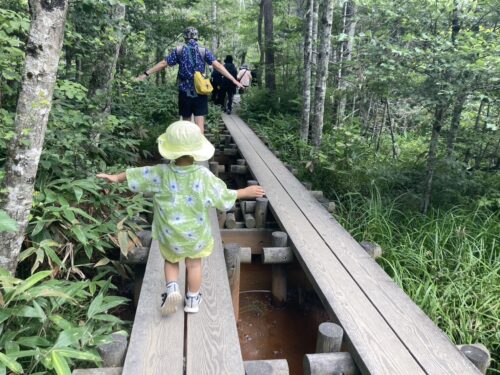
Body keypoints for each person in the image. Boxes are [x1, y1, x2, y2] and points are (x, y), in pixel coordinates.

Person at [96, 121, 265, 315]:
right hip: (195, 234)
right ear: (196, 151)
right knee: (194, 265)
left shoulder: (161, 172)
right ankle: (192, 300)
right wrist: (245, 191)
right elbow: (222, 196)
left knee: (171, 261)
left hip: (170, 233)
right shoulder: (203, 175)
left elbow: (138, 174)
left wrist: (116, 178)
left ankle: (172, 289)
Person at [136, 27, 243, 133]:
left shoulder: (179, 50)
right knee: (199, 121)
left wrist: (145, 74)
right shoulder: (203, 51)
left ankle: (188, 146)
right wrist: (234, 80)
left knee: (186, 122)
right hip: (200, 90)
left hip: (184, 90)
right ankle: (200, 145)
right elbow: (218, 66)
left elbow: (163, 64)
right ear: (197, 38)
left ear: (185, 38)